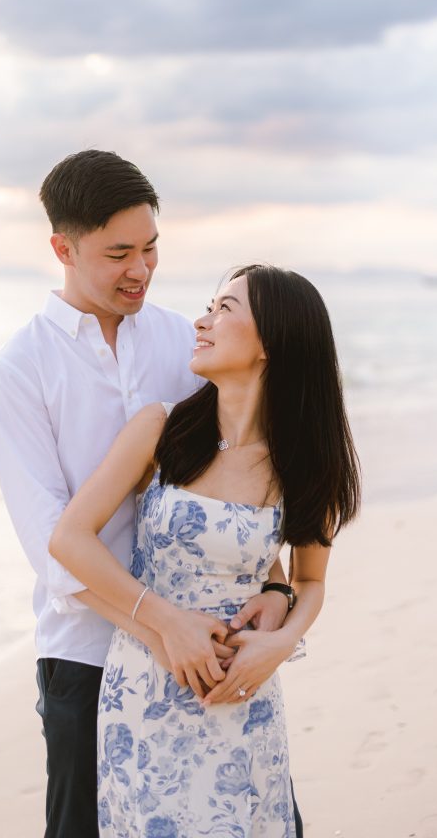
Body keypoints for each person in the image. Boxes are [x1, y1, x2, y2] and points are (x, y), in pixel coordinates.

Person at [0, 150, 293, 838]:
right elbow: (53, 548)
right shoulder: (20, 369)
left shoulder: (182, 342)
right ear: (62, 248)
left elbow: (231, 484)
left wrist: (277, 588)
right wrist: (162, 625)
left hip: (205, 656)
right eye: (118, 253)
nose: (141, 270)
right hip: (85, 654)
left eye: (151, 248)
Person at [50, 263, 361, 837]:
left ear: (272, 341)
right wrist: (164, 623)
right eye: (209, 305)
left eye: (224, 309)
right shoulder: (161, 430)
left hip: (244, 694)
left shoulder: (302, 462)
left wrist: (282, 643)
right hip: (145, 688)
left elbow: (310, 581)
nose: (202, 320)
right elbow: (69, 539)